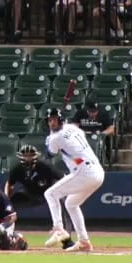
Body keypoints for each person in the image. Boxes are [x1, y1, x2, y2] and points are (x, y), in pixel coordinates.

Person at [43, 108, 105, 252]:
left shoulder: (55, 138)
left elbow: (49, 155)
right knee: (71, 203)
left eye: (54, 119)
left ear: (60, 120)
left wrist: (49, 141)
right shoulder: (72, 127)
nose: (52, 122)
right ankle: (84, 242)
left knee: (50, 194)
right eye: (50, 120)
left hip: (85, 171)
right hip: (97, 172)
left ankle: (59, 229)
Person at [5, 145, 75, 248]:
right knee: (8, 207)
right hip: (29, 194)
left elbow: (62, 178)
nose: (27, 158)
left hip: (49, 194)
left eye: (30, 155)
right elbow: (9, 184)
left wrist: (65, 192)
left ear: (35, 156)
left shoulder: (45, 166)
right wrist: (7, 201)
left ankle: (66, 239)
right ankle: (5, 237)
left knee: (63, 203)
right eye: (25, 156)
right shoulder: (17, 169)